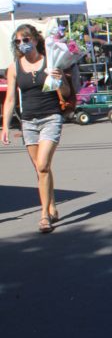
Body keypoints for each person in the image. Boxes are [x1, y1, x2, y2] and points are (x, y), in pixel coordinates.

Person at [1, 24, 68, 233]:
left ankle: (44, 215)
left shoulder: (50, 62)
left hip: (51, 117)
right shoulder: (14, 67)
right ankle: (52, 205)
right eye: (18, 41)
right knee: (42, 168)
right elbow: (11, 98)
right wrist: (5, 126)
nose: (23, 44)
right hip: (28, 121)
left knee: (42, 165)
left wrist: (60, 78)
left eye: (26, 39)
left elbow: (65, 92)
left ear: (36, 40)